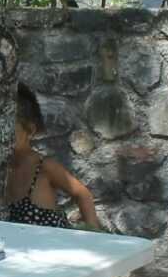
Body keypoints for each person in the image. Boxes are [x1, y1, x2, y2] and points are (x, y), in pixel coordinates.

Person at [7, 87, 100, 230]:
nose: (2, 136)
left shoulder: (44, 167)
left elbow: (83, 195)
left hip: (51, 246)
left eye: (8, 130)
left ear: (30, 130)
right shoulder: (1, 169)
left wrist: (94, 237)